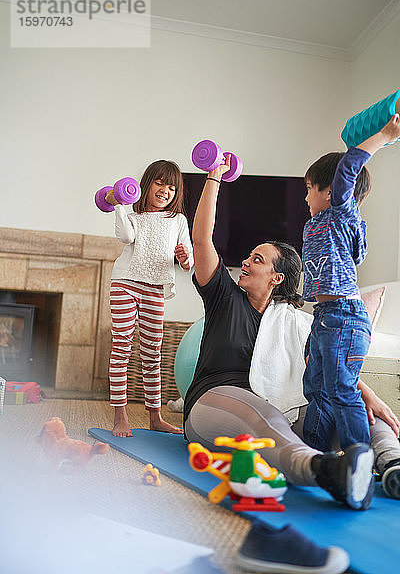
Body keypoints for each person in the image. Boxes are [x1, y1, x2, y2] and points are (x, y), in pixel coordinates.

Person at [183, 154, 400, 512]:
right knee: (261, 417)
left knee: (360, 410)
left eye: (258, 259)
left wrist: (367, 393)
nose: (247, 262)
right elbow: (202, 239)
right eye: (248, 256)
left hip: (277, 408)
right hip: (215, 401)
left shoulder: (296, 320)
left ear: (277, 278)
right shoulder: (224, 296)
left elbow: (324, 358)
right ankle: (326, 472)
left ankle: (392, 464)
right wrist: (213, 178)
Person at [302, 114, 400, 454]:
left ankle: (358, 460)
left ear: (330, 193)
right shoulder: (321, 222)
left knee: (342, 389)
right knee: (315, 386)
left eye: (309, 189)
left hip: (343, 315)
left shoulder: (341, 214)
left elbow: (348, 170)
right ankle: (314, 455)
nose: (305, 198)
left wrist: (385, 135)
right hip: (325, 314)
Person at [106, 160, 193, 437]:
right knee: (121, 346)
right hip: (125, 282)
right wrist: (119, 204)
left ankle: (155, 417)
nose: (165, 190)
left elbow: (188, 260)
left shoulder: (178, 220)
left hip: (155, 288)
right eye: (159, 183)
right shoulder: (132, 216)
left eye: (171, 187)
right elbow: (125, 236)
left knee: (152, 353)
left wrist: (184, 258)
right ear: (146, 185)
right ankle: (120, 416)